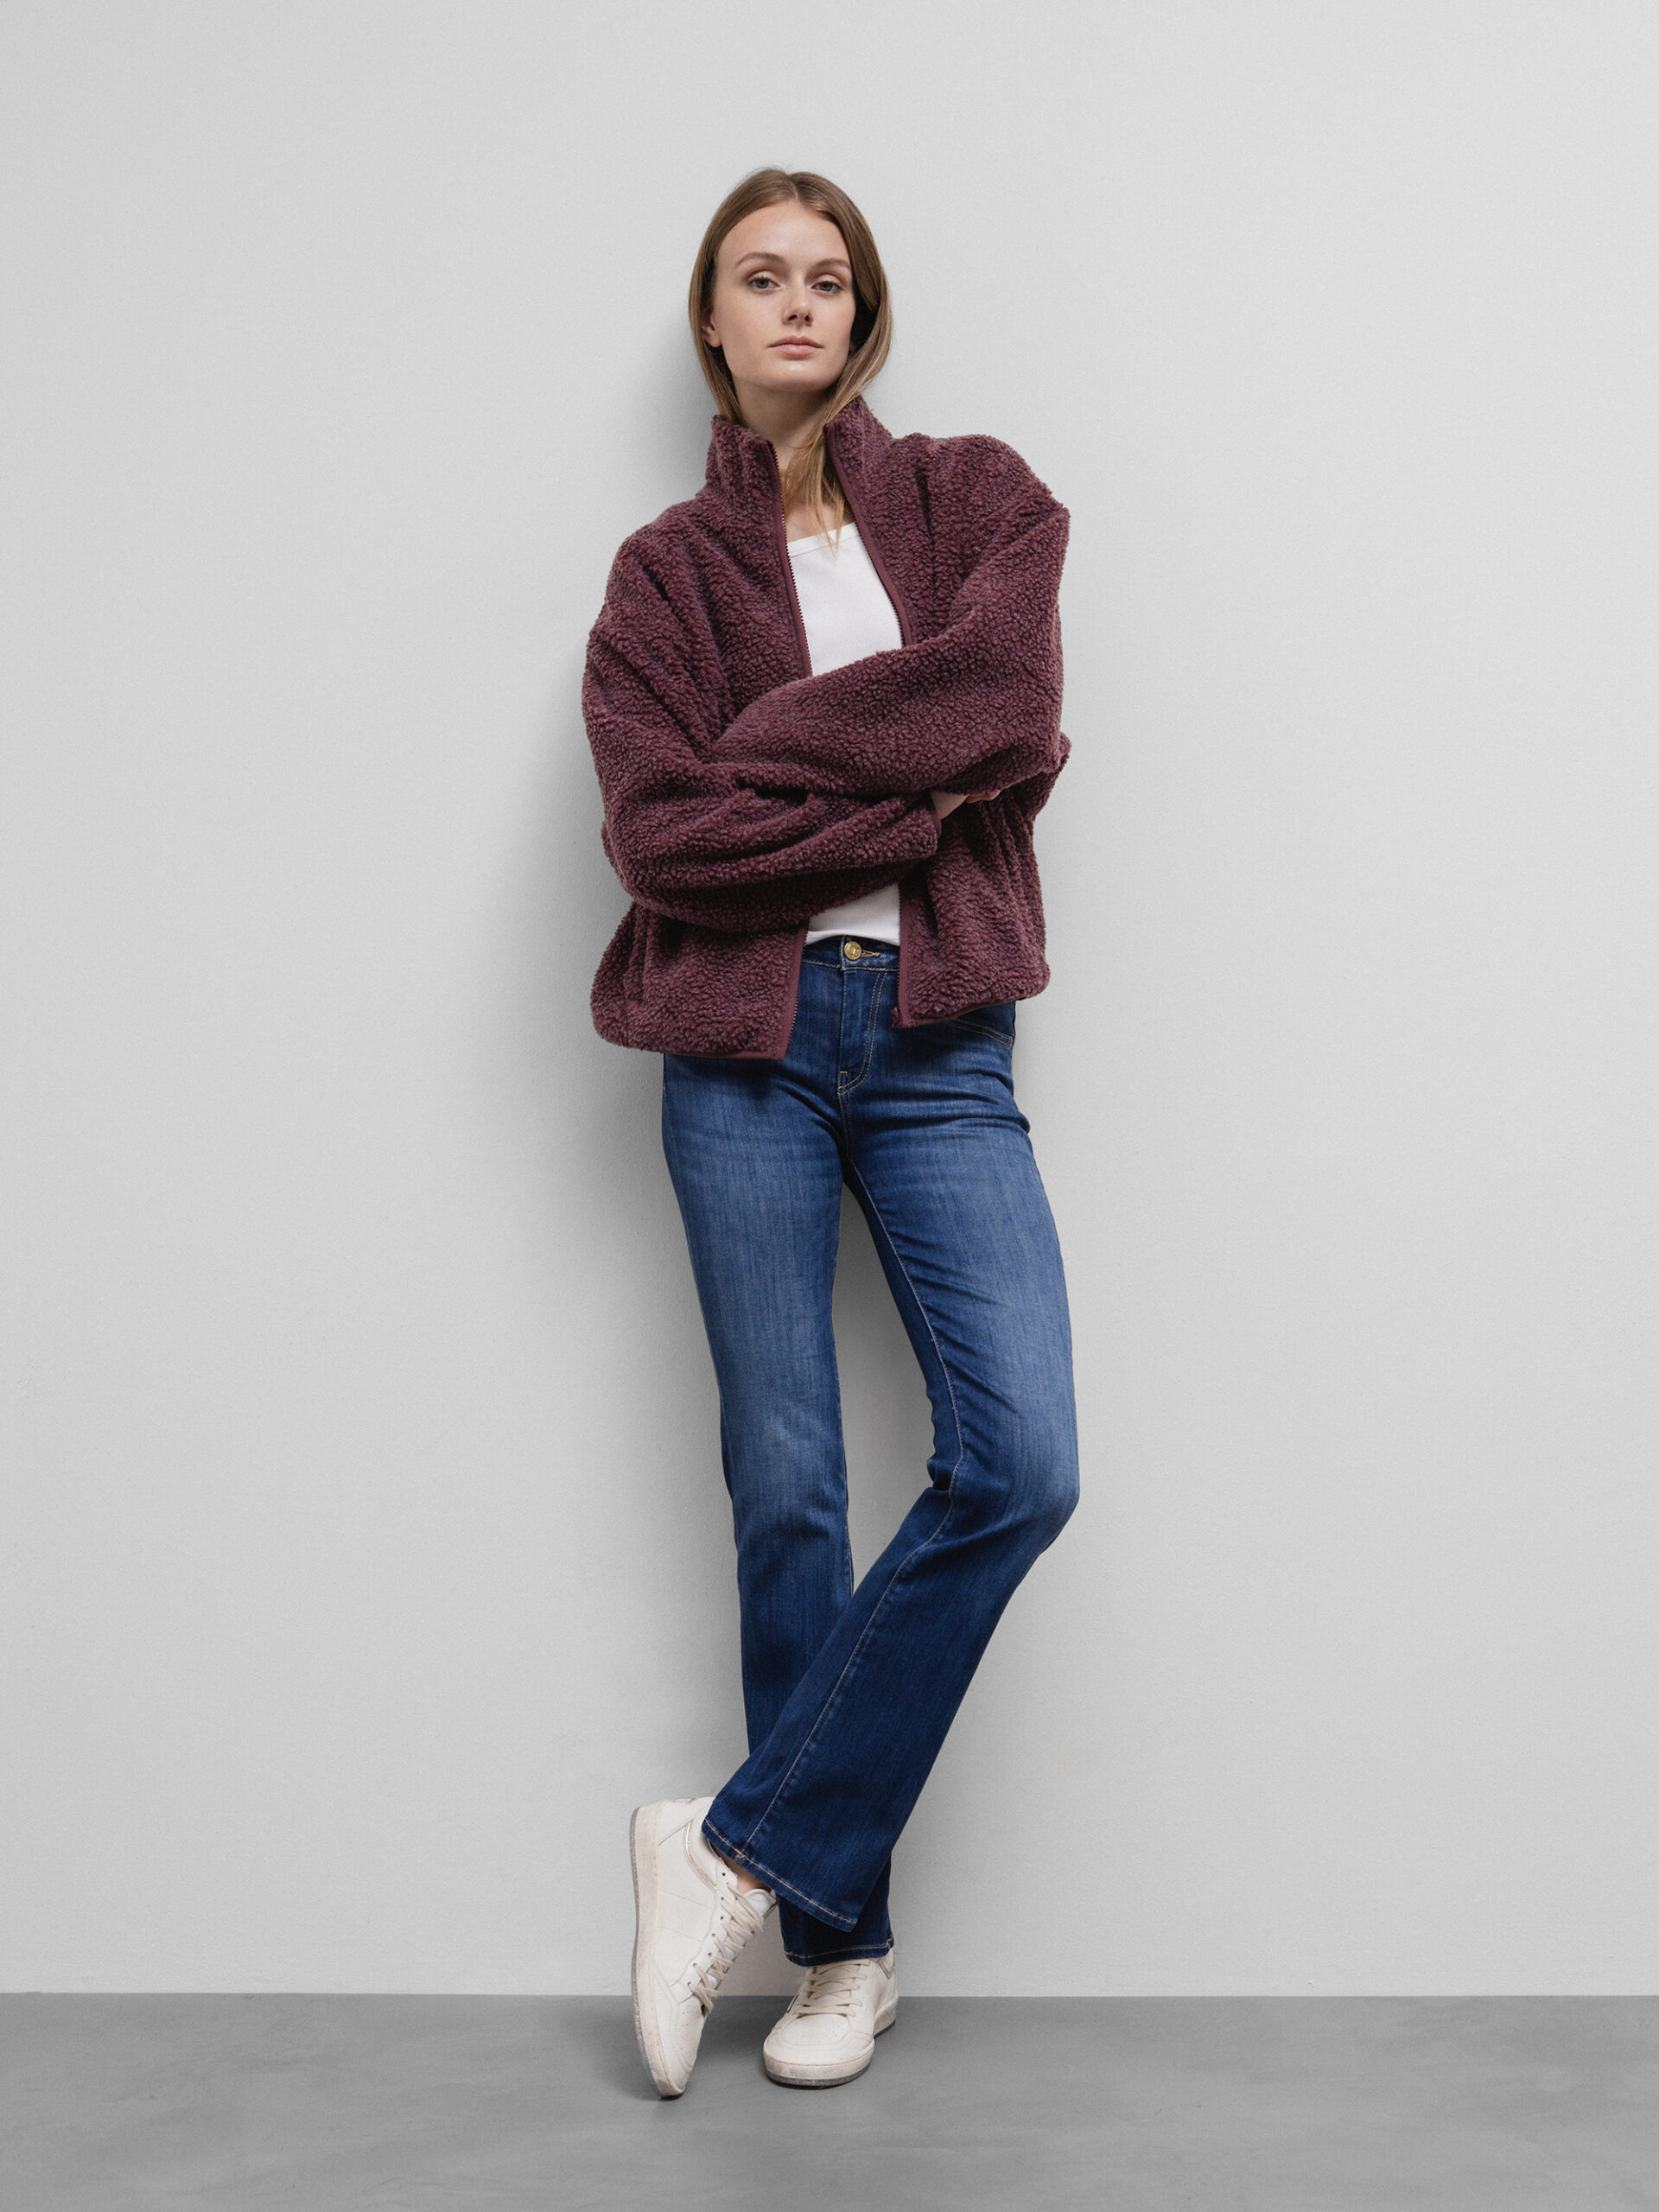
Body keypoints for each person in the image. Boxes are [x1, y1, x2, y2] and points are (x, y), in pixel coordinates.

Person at [582, 167, 1080, 2098]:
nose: (798, 302)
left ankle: (729, 1844)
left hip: (940, 1040)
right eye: (759, 276)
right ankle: (837, 1950)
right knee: (787, 1485)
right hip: (745, 1050)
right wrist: (904, 795)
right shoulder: (660, 578)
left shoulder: (977, 502)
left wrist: (772, 762)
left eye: (829, 277)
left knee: (1020, 1460)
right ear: (712, 319)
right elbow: (662, 836)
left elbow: (1009, 700)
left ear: (865, 314)